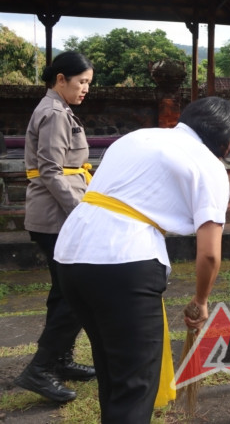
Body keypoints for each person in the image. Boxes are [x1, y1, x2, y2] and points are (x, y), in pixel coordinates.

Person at [54, 97, 230, 423]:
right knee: (135, 385)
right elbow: (209, 253)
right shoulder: (208, 165)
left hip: (71, 254)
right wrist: (201, 300)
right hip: (124, 259)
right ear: (227, 140)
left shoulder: (137, 137)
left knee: (113, 371)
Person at [14, 51, 96, 403]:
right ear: (60, 79)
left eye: (88, 84)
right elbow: (50, 171)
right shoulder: (53, 113)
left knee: (64, 292)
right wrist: (80, 212)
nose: (85, 89)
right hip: (57, 218)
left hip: (57, 216)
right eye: (81, 82)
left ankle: (59, 359)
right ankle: (40, 368)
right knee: (77, 293)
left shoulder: (58, 110)